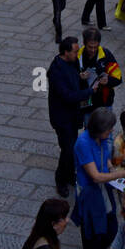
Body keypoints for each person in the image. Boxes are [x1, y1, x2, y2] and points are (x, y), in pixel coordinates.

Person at [72, 108, 125, 249]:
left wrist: (113, 168)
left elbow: (106, 161)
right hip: (91, 196)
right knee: (91, 238)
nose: (111, 133)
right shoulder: (83, 144)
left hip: (104, 192)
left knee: (111, 230)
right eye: (108, 130)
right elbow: (95, 176)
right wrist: (122, 174)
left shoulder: (103, 139)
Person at [47, 36, 96, 198]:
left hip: (73, 115)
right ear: (65, 52)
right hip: (62, 118)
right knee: (67, 149)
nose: (78, 54)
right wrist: (90, 91)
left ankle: (68, 174)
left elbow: (74, 78)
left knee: (71, 147)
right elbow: (68, 96)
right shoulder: (56, 71)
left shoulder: (72, 62)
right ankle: (61, 178)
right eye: (75, 51)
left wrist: (80, 78)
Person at [78, 27, 122, 121]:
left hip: (104, 103)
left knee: (106, 132)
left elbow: (118, 78)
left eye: (96, 47)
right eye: (90, 47)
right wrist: (79, 77)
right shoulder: (77, 56)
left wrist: (108, 81)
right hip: (86, 102)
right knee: (89, 129)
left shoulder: (106, 55)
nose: (93, 50)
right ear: (84, 43)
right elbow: (69, 79)